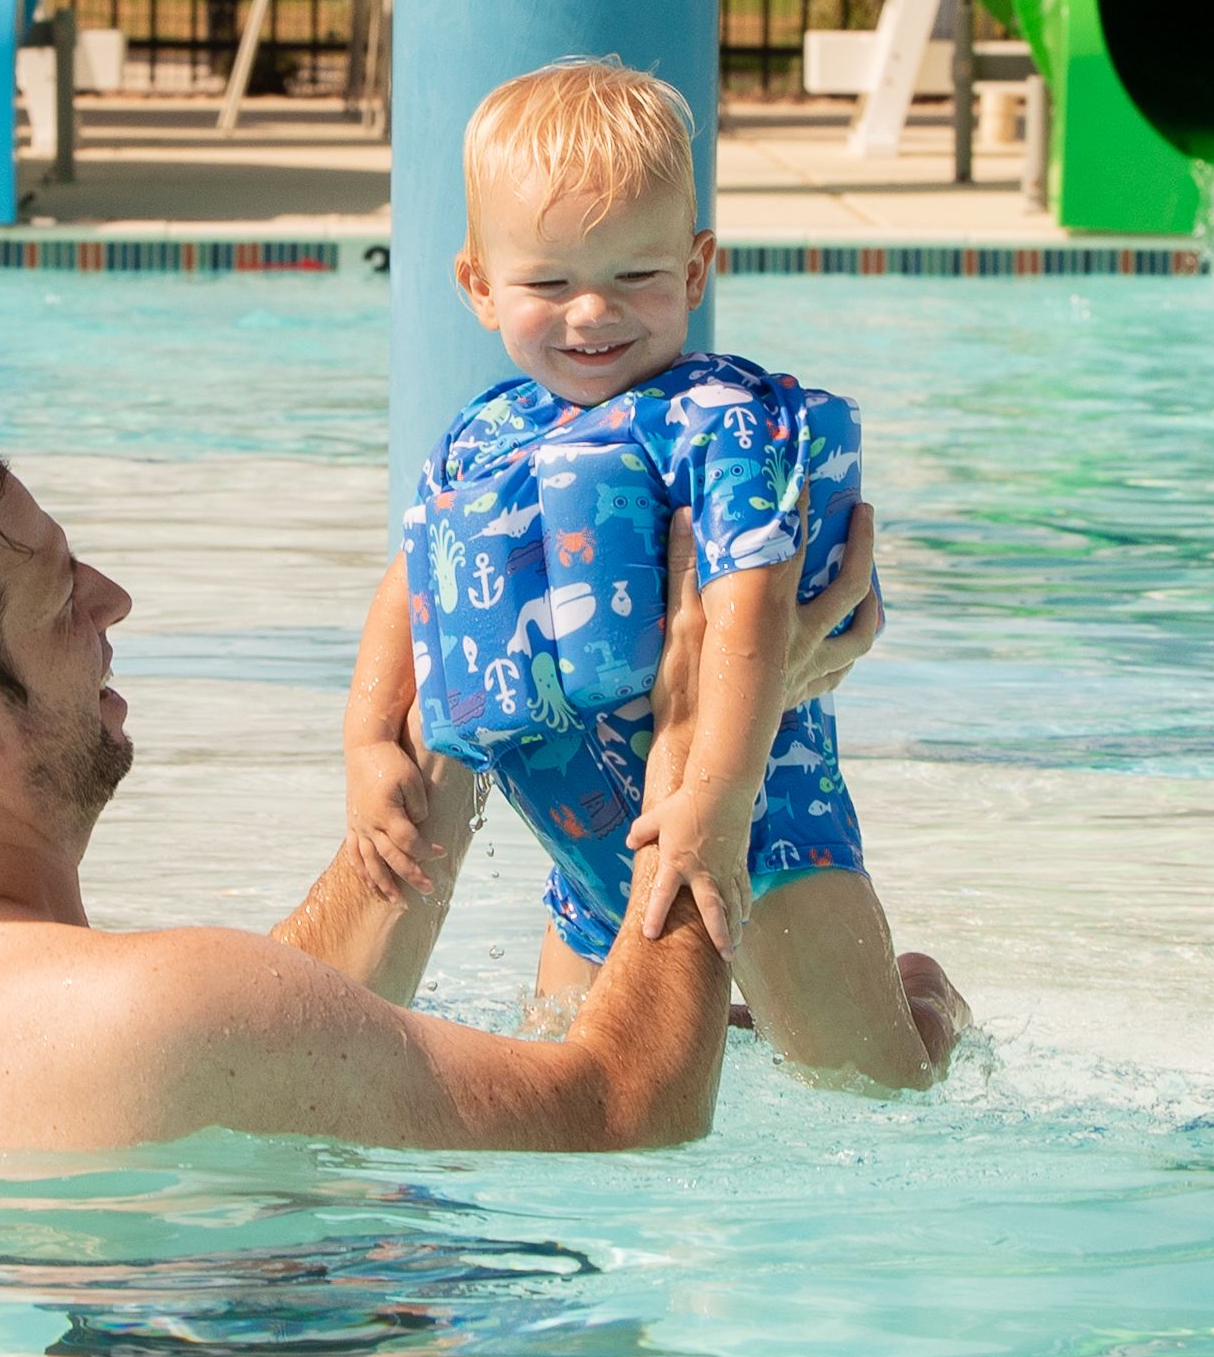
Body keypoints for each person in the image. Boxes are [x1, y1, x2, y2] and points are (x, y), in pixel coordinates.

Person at [0, 407, 925, 1154]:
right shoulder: (158, 1013)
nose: (113, 602)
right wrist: (718, 735)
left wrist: (465, 695)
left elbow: (258, 1044)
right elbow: (623, 1114)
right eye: (62, 597)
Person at [343, 57, 960, 1088]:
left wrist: (716, 799)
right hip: (581, 837)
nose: (593, 313)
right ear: (479, 285)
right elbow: (412, 586)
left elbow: (751, 611)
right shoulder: (482, 435)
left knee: (871, 1091)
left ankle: (928, 1004)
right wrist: (367, 743)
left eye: (636, 275)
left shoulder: (717, 421)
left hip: (761, 823)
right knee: (579, 1081)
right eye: (549, 281)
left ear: (696, 268)